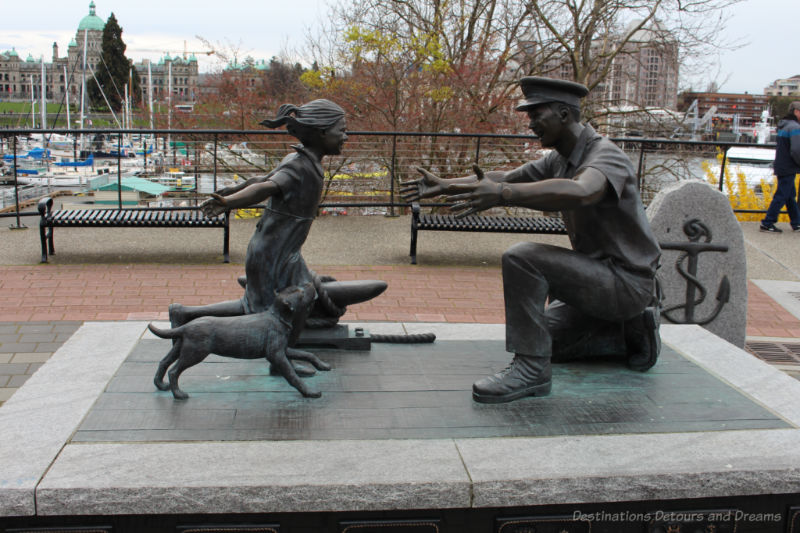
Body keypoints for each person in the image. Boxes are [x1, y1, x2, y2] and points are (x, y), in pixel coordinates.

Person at [401, 77, 661, 404]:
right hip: (598, 279)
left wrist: (504, 196)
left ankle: (531, 371)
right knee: (545, 339)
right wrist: (448, 185)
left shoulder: (605, 155)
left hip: (626, 283)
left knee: (522, 257)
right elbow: (503, 178)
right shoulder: (559, 159)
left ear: (565, 115)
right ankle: (627, 333)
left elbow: (583, 191)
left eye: (537, 115)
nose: (531, 124)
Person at [169, 100, 386, 365]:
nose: (346, 136)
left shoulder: (302, 160)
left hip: (286, 251)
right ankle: (191, 317)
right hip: (272, 253)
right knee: (258, 309)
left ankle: (190, 315)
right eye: (341, 130)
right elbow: (267, 187)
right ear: (321, 132)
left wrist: (233, 190)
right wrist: (229, 203)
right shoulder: (298, 166)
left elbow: (259, 180)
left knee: (287, 299)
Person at [761, 101, 800, 233]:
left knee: (789, 195)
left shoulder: (784, 126)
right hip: (789, 166)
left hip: (781, 164)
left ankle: (796, 223)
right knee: (782, 195)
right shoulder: (795, 127)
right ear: (796, 111)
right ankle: (768, 222)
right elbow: (796, 150)